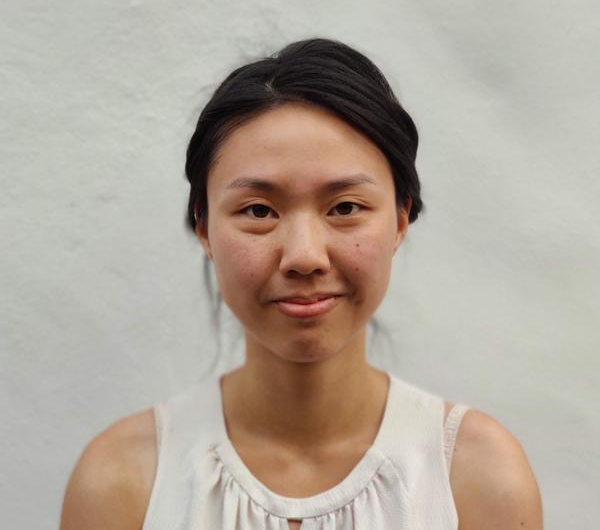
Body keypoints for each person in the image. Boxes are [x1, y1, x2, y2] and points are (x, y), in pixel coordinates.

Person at [60, 38, 543, 529]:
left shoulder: (475, 478)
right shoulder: (123, 482)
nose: (305, 256)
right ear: (205, 228)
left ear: (400, 220)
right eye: (259, 211)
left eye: (345, 208)